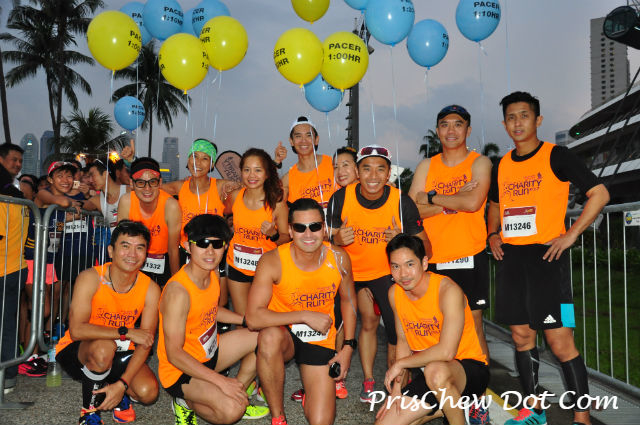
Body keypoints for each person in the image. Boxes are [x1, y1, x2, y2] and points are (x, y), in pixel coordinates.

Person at [487, 92, 610, 425]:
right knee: (521, 337)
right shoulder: (502, 165)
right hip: (512, 260)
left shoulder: (557, 156)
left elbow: (600, 193)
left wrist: (571, 235)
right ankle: (534, 409)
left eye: (524, 115)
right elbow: (495, 204)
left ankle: (582, 417)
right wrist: (493, 233)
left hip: (548, 259)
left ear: (537, 120)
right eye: (511, 117)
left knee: (560, 341)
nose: (517, 122)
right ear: (504, 124)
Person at [327, 144, 432, 404]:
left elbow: (427, 249)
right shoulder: (340, 198)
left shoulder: (401, 201)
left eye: (380, 169)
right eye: (366, 169)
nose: (373, 176)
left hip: (384, 275)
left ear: (388, 174)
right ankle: (354, 379)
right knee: (340, 326)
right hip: (348, 274)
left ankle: (396, 390)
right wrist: (336, 239)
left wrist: (403, 239)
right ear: (357, 172)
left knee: (397, 334)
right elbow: (319, 243)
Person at [408, 105, 492, 424]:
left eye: (458, 124)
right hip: (432, 260)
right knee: (437, 330)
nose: (451, 130)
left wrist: (431, 199)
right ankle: (443, 390)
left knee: (474, 330)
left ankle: (478, 401)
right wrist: (451, 200)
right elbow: (411, 209)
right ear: (438, 130)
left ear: (468, 130)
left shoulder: (479, 162)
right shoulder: (427, 165)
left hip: (468, 257)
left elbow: (473, 202)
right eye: (445, 125)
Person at [246, 198, 357, 425]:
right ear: (290, 230)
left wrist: (348, 347)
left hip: (320, 340)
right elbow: (253, 318)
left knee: (321, 422)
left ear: (324, 229)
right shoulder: (272, 260)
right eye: (300, 227)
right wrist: (304, 315)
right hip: (284, 335)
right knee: (269, 337)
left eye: (315, 227)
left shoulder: (339, 258)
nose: (308, 234)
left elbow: (349, 301)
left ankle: (310, 393)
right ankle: (278, 417)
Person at [157, 214, 269, 424]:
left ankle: (238, 392)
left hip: (209, 353)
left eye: (216, 245)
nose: (210, 251)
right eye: (202, 243)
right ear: (188, 247)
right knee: (232, 412)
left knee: (266, 337)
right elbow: (174, 354)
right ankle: (183, 402)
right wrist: (222, 382)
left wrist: (246, 321)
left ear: (225, 247)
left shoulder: (212, 272)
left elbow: (211, 309)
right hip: (180, 371)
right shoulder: (178, 292)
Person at [375, 234, 489, 425]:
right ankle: (447, 407)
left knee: (435, 372)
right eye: (396, 266)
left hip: (468, 370)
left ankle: (461, 409)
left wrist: (400, 364)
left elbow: (446, 352)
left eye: (410, 264)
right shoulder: (395, 293)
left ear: (424, 263)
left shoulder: (447, 290)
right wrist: (396, 389)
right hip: (431, 375)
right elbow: (403, 341)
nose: (403, 274)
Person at [55, 220, 161, 425]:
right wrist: (125, 332)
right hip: (79, 350)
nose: (132, 254)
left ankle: (117, 394)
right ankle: (89, 413)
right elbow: (76, 330)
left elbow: (145, 341)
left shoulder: (151, 289)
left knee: (148, 392)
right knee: (104, 349)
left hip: (120, 351)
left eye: (139, 248)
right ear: (111, 251)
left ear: (146, 254)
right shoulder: (90, 277)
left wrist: (122, 384)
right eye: (125, 246)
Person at [224, 148, 289, 316]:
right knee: (243, 319)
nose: (251, 175)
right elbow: (223, 216)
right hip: (237, 266)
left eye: (258, 170)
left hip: (266, 271)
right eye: (247, 170)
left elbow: (286, 238)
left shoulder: (277, 204)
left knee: (263, 319)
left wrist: (274, 234)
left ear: (267, 174)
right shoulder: (235, 196)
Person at [117, 157, 181, 287]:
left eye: (152, 182)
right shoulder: (126, 201)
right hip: (134, 257)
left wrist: (176, 283)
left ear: (160, 183)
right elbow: (121, 243)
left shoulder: (171, 206)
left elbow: (173, 250)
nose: (147, 188)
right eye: (141, 182)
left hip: (164, 259)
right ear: (132, 184)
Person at [0, 146, 28, 394]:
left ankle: (7, 375)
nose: (17, 164)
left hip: (10, 268)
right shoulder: (14, 194)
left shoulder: (13, 195)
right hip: (12, 267)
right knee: (8, 323)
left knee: (7, 324)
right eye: (13, 159)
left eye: (20, 160)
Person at [277, 116, 336, 210]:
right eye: (298, 136)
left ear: (316, 139)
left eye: (309, 135)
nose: (303, 140)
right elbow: (275, 206)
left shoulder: (334, 165)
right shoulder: (287, 179)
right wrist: (276, 162)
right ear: (291, 141)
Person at [84, 160, 129, 262]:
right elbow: (82, 204)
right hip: (116, 249)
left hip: (132, 246)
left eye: (92, 175)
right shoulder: (97, 199)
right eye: (88, 177)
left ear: (105, 174)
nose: (90, 180)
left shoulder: (128, 191)